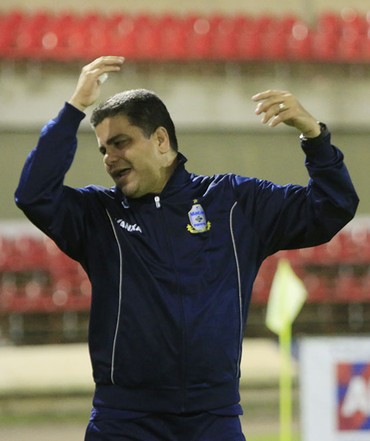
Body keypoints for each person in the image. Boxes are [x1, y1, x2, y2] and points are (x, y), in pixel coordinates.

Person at [15, 56, 359, 441]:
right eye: (103, 150)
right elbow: (33, 194)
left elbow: (333, 207)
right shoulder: (99, 216)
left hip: (213, 419)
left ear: (160, 140)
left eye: (120, 143)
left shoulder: (234, 203)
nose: (110, 159)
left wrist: (314, 137)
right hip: (124, 420)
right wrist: (73, 108)